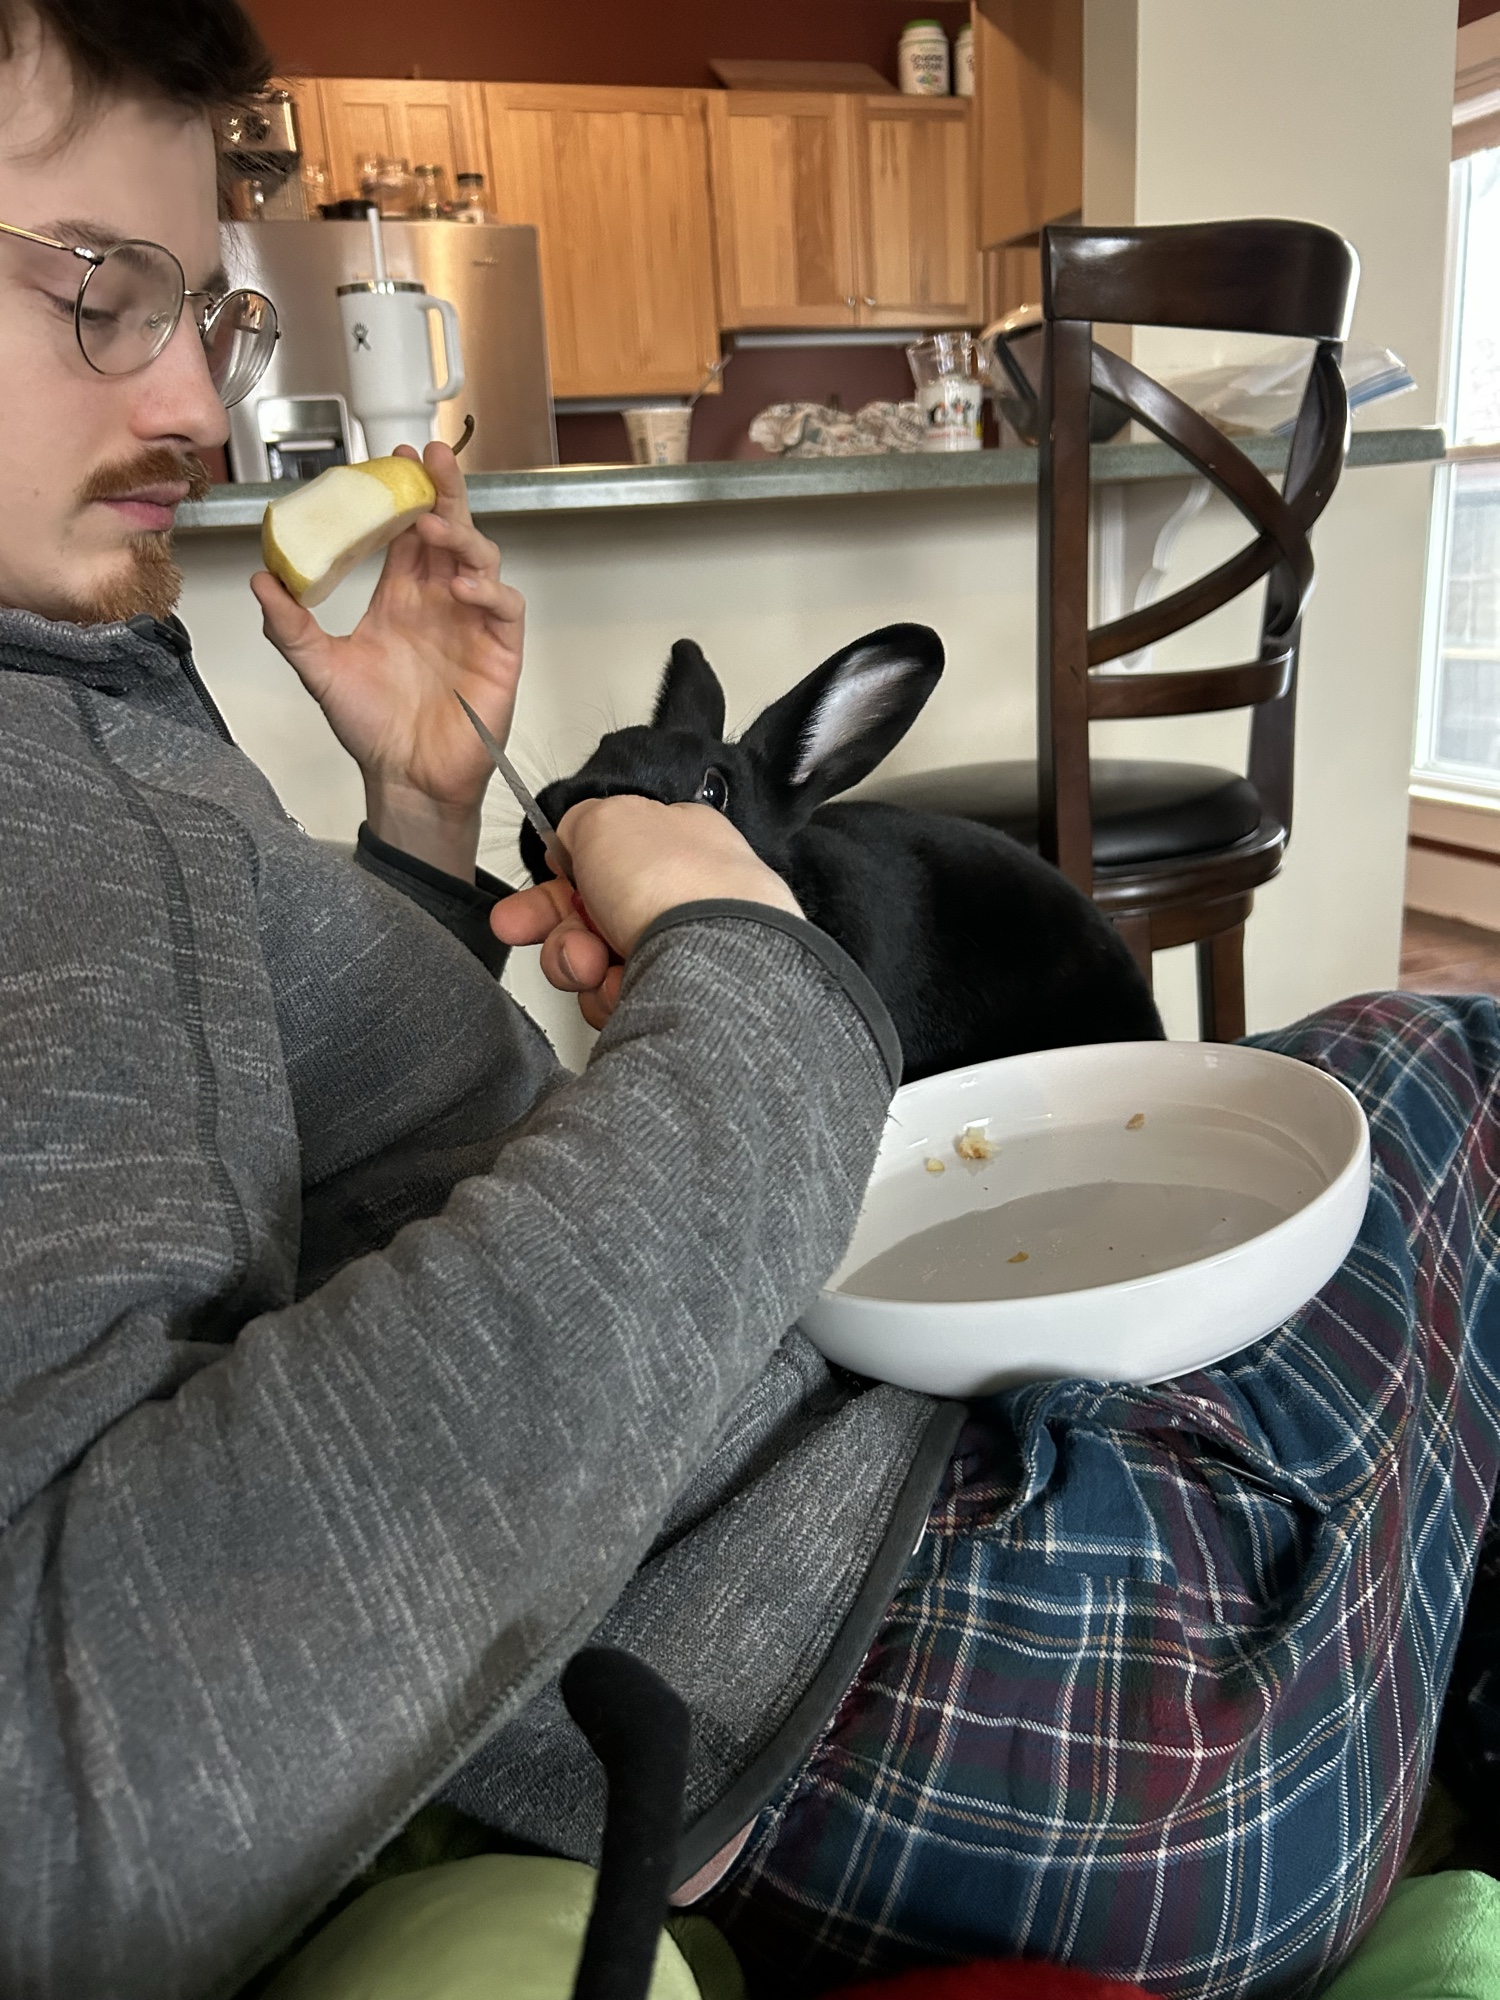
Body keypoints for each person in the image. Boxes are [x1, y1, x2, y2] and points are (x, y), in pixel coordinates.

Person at [0, 4, 1494, 1999]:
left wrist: (421, 833)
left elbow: (268, 1187)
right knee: (1454, 1055)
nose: (193, 398)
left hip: (843, 1642)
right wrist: (744, 943)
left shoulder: (81, 722)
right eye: (99, 286)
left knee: (1345, 1099)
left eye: (204, 308)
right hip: (1031, 1702)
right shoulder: (35, 794)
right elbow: (85, 1795)